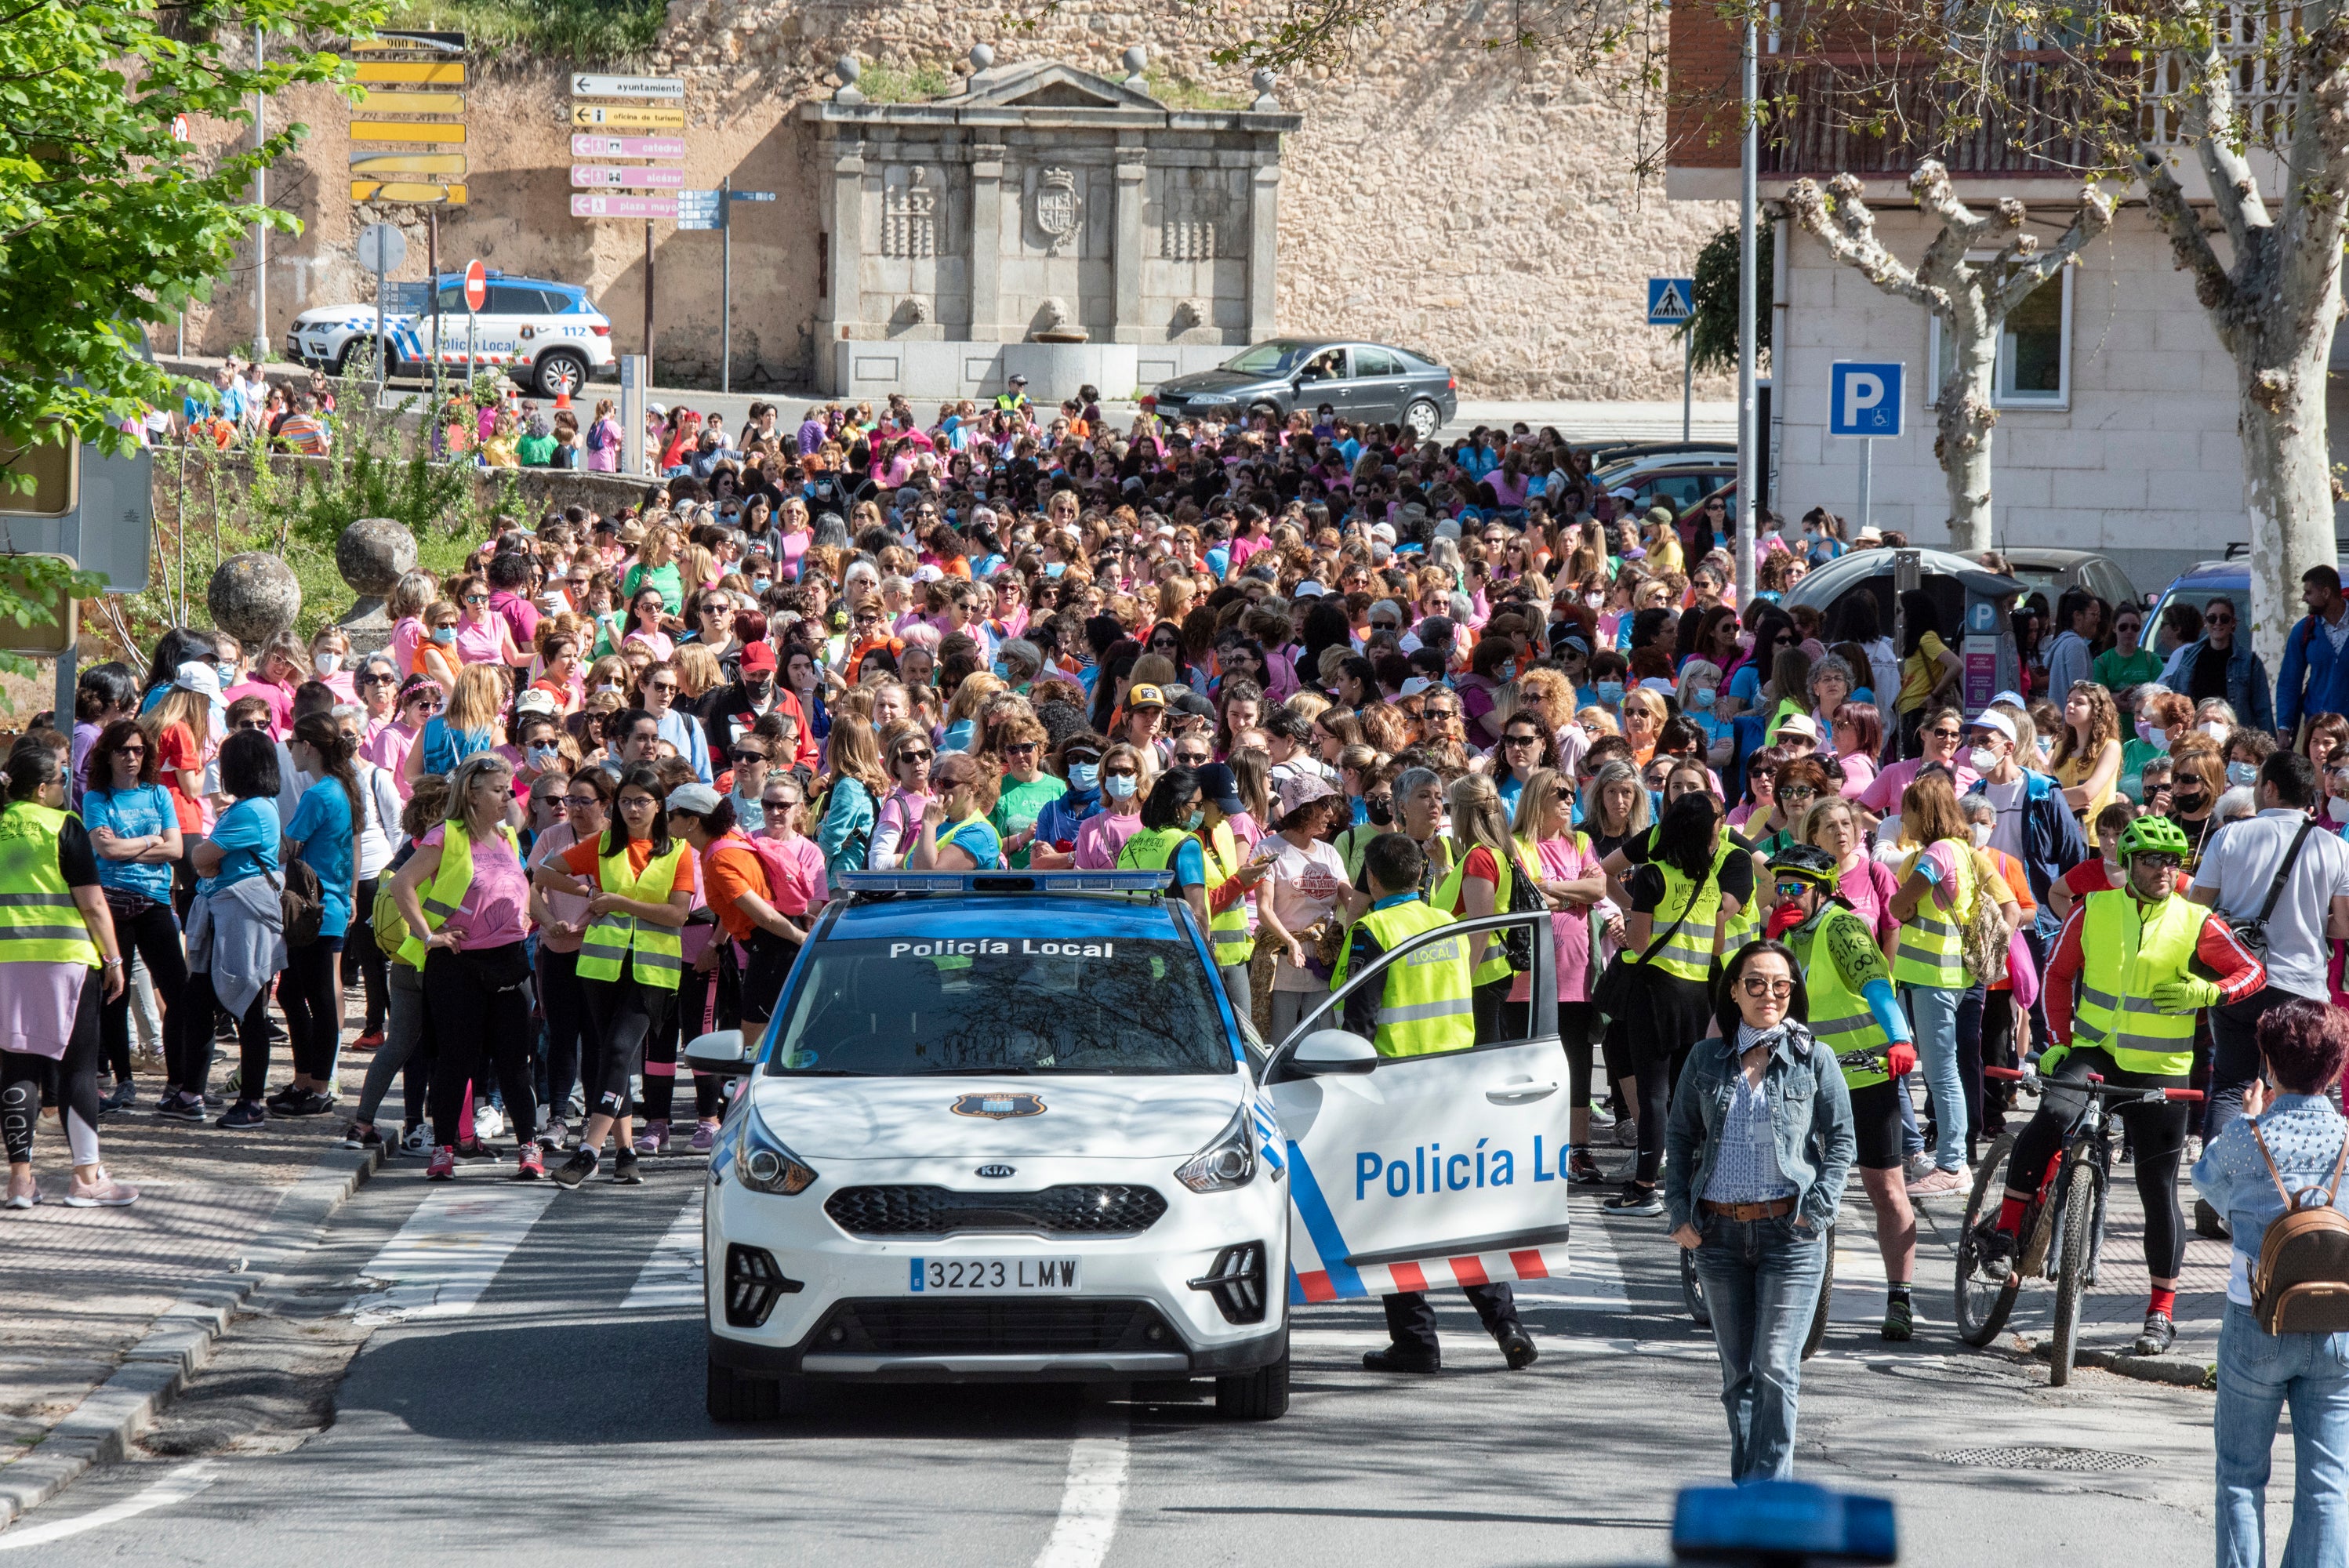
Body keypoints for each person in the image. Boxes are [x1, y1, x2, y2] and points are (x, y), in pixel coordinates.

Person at [1975, 815, 2267, 1356]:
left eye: (2173, 861)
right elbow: (2057, 975)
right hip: (2093, 1053)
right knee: (2053, 1116)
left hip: (2161, 1068)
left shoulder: (2196, 919)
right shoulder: (2096, 908)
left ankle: (2160, 1314)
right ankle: (2006, 1232)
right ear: (2128, 864)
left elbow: (2253, 973)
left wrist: (2207, 995)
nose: (2163, 870)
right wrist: (2059, 1040)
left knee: (2158, 1190)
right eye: (2152, 860)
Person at [1336, 830, 1538, 1374]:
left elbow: (1359, 1022)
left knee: (1393, 1224)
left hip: (1394, 1093)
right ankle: (1507, 1325)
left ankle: (1417, 1342)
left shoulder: (1371, 930)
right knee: (1459, 1217)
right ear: (1424, 877)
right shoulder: (1449, 924)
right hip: (1455, 1086)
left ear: (1372, 880)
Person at [1665, 938, 1853, 1483]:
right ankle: (1746, 1489)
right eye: (1755, 983)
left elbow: (1842, 1140)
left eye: (1781, 985)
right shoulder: (1705, 1059)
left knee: (1775, 1367)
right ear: (1734, 991)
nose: (1769, 994)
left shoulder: (1814, 1057)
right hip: (1718, 1237)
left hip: (1789, 1236)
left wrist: (1816, 1209)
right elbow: (1679, 1138)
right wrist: (1679, 1212)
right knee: (1737, 1376)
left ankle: (1768, 1496)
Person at [2194, 997, 2349, 1566]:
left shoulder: (2245, 1137)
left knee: (2239, 1477)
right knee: (2328, 1485)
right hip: (2338, 1325)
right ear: (2336, 1068)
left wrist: (2248, 1118)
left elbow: (2209, 1188)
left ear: (2267, 1061)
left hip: (2254, 1320)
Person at [1767, 846, 1921, 1340]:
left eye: (1796, 888)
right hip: (1805, 1079)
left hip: (1865, 1075)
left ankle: (1900, 1298)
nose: (1785, 897)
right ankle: (1788, 1287)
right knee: (1792, 1182)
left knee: (1886, 1189)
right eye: (1780, 888)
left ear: (1824, 890)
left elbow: (1877, 985)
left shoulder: (1843, 927)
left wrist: (1900, 1038)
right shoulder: (1787, 934)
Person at [532, 764, 692, 1187]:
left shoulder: (678, 850)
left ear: (659, 806)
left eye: (642, 801)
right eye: (625, 801)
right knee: (609, 1059)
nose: (633, 809)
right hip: (601, 968)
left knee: (620, 1051)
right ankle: (625, 1152)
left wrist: (619, 901)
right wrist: (588, 893)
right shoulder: (603, 844)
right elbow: (545, 873)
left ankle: (589, 1150)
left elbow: (678, 913)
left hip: (652, 972)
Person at [1596, 783, 1753, 1215]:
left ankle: (1645, 1187)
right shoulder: (1708, 881)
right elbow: (1718, 944)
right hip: (1696, 995)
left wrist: (1629, 931)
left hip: (1655, 994)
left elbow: (1641, 941)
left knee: (1652, 1093)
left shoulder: (1652, 875)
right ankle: (1690, 1183)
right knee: (1689, 1093)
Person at [391, 753, 542, 1182]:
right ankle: (444, 1149)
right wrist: (426, 934)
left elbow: (521, 886)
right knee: (455, 1060)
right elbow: (403, 884)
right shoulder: (447, 835)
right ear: (473, 795)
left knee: (515, 1062)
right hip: (456, 963)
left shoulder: (509, 837)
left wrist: (537, 917)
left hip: (509, 961)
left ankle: (528, 1148)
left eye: (508, 789)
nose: (507, 797)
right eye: (498, 790)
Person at [2187, 750, 2349, 1150]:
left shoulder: (2229, 836)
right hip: (2302, 987)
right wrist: (2307, 922)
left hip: (2239, 980)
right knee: (2303, 1091)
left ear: (2270, 788)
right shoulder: (2333, 847)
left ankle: (2215, 1190)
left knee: (2230, 1084)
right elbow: (2344, 925)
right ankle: (2300, 1186)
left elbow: (2196, 910)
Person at [0, 739, 135, 1209]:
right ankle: (85, 1178)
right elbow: (93, 904)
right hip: (66, 960)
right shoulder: (64, 827)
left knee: (18, 1064)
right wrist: (114, 960)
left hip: (6, 964)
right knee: (78, 1065)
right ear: (40, 789)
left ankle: (20, 1182)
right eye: (60, 779)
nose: (65, 785)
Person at [1886, 771, 1993, 1195]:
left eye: (1908, 809)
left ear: (1924, 812)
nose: (1902, 818)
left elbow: (1899, 902)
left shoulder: (1936, 853)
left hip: (1935, 976)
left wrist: (1904, 907)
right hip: (1951, 976)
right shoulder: (1963, 850)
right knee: (1944, 1070)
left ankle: (1952, 1165)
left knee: (1941, 1072)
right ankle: (1954, 1160)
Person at [79, 720, 188, 1117]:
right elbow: (104, 851)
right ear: (107, 755)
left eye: (138, 750)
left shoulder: (159, 794)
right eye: (123, 750)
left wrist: (129, 848)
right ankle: (123, 1079)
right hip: (112, 903)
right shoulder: (97, 798)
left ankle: (179, 1081)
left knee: (178, 991)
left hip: (154, 899)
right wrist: (149, 841)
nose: (131, 757)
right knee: (115, 992)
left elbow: (176, 849)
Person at [182, 729, 288, 1131]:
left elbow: (202, 857)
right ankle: (190, 1092)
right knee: (197, 1003)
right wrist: (209, 862)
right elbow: (207, 862)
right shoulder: (253, 808)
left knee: (249, 1010)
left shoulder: (251, 811)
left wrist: (208, 861)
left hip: (244, 922)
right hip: (224, 918)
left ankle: (252, 1101)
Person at [270, 713, 361, 1118]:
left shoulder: (320, 794)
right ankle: (305, 1079)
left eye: (292, 743)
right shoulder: (341, 787)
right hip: (330, 905)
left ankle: (318, 1086)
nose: (289, 750)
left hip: (316, 910)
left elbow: (287, 848)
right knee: (294, 992)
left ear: (308, 747)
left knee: (319, 997)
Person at [2161, 593, 2275, 734]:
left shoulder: (2249, 661)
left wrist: (2268, 748)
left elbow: (2262, 710)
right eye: (2212, 618)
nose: (2218, 623)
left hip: (2234, 738)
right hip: (2196, 735)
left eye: (2224, 618)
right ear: (2205, 622)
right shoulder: (2189, 656)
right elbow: (2174, 696)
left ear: (2233, 622)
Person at [2278, 564, 2349, 747]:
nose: (2304, 598)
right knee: (2320, 776)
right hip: (2319, 730)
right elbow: (2289, 682)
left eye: (2309, 593)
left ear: (2326, 592)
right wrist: (2284, 729)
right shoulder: (2304, 631)